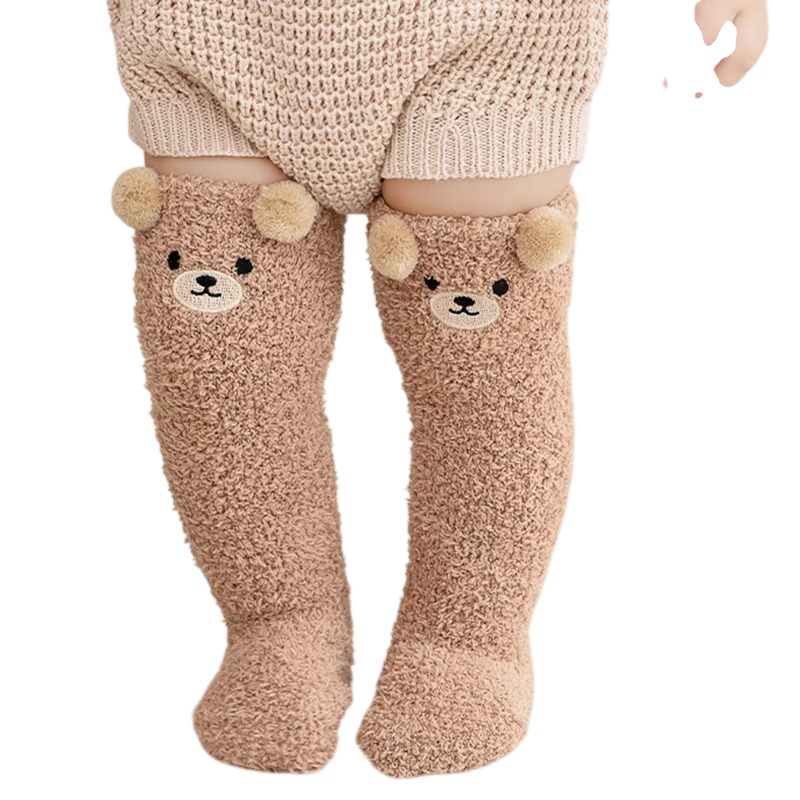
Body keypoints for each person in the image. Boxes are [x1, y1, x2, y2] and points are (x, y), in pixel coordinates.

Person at [107, 0, 769, 778]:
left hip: (490, 34)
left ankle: (465, 640)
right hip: (210, 27)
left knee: (484, 380)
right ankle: (279, 624)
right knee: (224, 374)